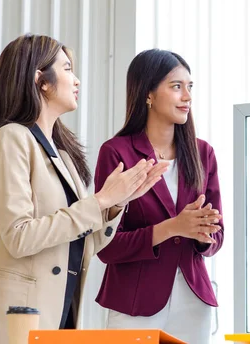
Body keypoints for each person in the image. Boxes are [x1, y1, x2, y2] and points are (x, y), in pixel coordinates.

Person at [0, 34, 166, 343]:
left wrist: (115, 204)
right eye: (67, 69)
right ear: (41, 80)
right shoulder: (11, 138)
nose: (76, 80)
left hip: (57, 312)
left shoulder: (62, 155)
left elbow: (80, 242)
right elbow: (19, 237)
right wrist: (100, 200)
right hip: (13, 315)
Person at [94, 49, 224, 344]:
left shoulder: (204, 154)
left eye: (190, 87)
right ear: (148, 93)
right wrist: (173, 227)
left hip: (193, 303)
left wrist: (204, 234)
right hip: (134, 304)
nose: (187, 96)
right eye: (176, 86)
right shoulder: (116, 153)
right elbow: (107, 246)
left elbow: (218, 236)